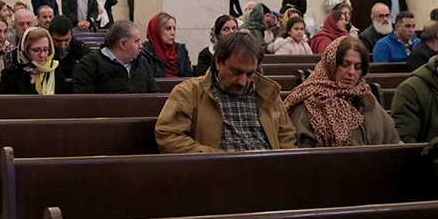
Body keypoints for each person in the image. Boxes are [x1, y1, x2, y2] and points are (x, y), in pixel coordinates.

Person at [155, 32, 297, 153]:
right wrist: (217, 158)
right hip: (216, 174)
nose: (243, 81)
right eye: (236, 72)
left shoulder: (267, 93)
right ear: (218, 63)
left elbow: (286, 136)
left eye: (250, 74)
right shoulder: (189, 92)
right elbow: (169, 136)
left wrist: (281, 164)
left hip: (267, 173)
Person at [285, 37, 401, 147]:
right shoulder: (311, 99)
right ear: (331, 64)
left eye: (358, 67)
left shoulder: (366, 98)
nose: (351, 72)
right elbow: (303, 151)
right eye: (345, 65)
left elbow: (394, 143)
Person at [71, 20, 159, 94]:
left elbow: (155, 95)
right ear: (122, 44)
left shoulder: (142, 62)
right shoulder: (89, 65)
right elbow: (85, 104)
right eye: (137, 41)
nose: (141, 46)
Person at [0, 27, 66, 95]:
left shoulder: (55, 70)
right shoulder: (10, 76)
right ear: (25, 51)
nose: (42, 55)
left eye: (45, 49)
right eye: (36, 50)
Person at [141, 12, 194, 78]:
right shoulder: (145, 53)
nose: (173, 33)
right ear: (157, 31)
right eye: (168, 28)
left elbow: (189, 78)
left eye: (174, 29)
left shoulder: (181, 51)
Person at [48, 15, 91, 80]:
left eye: (66, 40)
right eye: (57, 41)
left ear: (71, 34)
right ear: (50, 36)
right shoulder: (43, 51)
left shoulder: (82, 50)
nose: (62, 45)